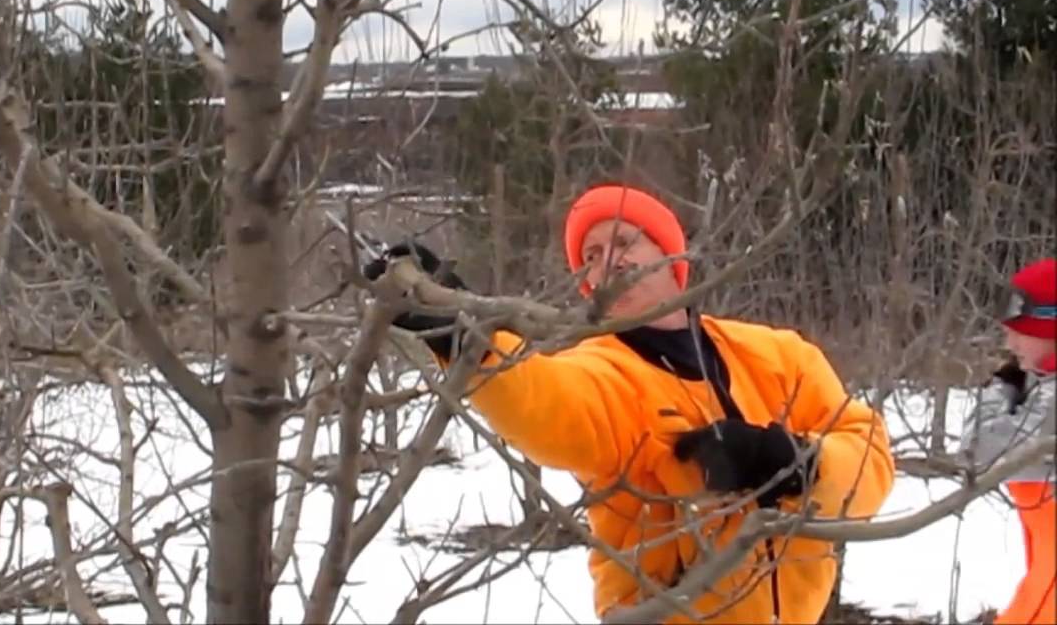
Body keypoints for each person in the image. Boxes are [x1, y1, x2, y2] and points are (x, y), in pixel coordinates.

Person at [364, 183, 896, 624]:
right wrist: (465, 338)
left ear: (670, 256)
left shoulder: (777, 355)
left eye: (624, 241)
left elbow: (869, 453)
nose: (606, 261)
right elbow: (546, 406)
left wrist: (792, 464)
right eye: (590, 257)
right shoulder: (607, 372)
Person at [962, 257, 1055, 625]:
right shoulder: (1039, 390)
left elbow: (983, 451)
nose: (1009, 340)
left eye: (1021, 329)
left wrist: (999, 388)